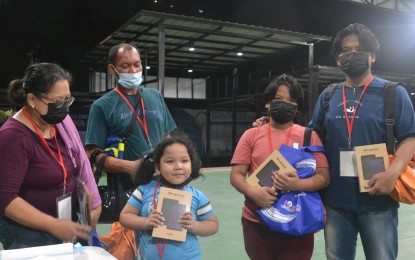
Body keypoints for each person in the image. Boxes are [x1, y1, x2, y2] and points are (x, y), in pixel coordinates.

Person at [308, 23, 415, 260]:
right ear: (337, 59)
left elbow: (410, 137)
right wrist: (273, 126)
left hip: (378, 200)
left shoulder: (392, 93)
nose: (351, 55)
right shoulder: (328, 96)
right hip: (335, 202)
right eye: (345, 51)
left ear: (373, 56)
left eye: (359, 49)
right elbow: (311, 136)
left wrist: (393, 174)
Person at [0, 63, 102, 249]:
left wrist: (88, 202)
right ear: (32, 99)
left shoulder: (59, 125)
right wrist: (53, 225)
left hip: (63, 227)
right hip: (27, 236)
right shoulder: (13, 137)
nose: (64, 108)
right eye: (57, 102)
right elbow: (5, 199)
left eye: (68, 100)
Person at [230, 74, 329, 260]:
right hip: (257, 220)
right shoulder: (251, 135)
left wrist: (297, 185)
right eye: (278, 99)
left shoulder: (309, 136)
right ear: (267, 103)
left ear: (297, 107)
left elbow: (323, 177)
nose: (285, 104)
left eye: (291, 100)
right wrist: (253, 193)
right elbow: (236, 175)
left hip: (297, 219)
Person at [85, 43, 176, 205]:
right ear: (112, 70)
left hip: (163, 182)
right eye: (125, 66)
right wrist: (131, 166)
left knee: (165, 229)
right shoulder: (101, 106)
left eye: (137, 64)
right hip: (127, 189)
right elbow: (93, 155)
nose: (133, 71)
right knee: (131, 229)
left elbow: (168, 137)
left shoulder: (155, 96)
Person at [119, 131, 219, 260]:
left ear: (191, 164)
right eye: (170, 161)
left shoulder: (197, 196)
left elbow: (213, 224)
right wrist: (146, 222)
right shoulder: (144, 191)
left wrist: (195, 225)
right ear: (157, 167)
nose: (178, 166)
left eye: (184, 161)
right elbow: (125, 216)